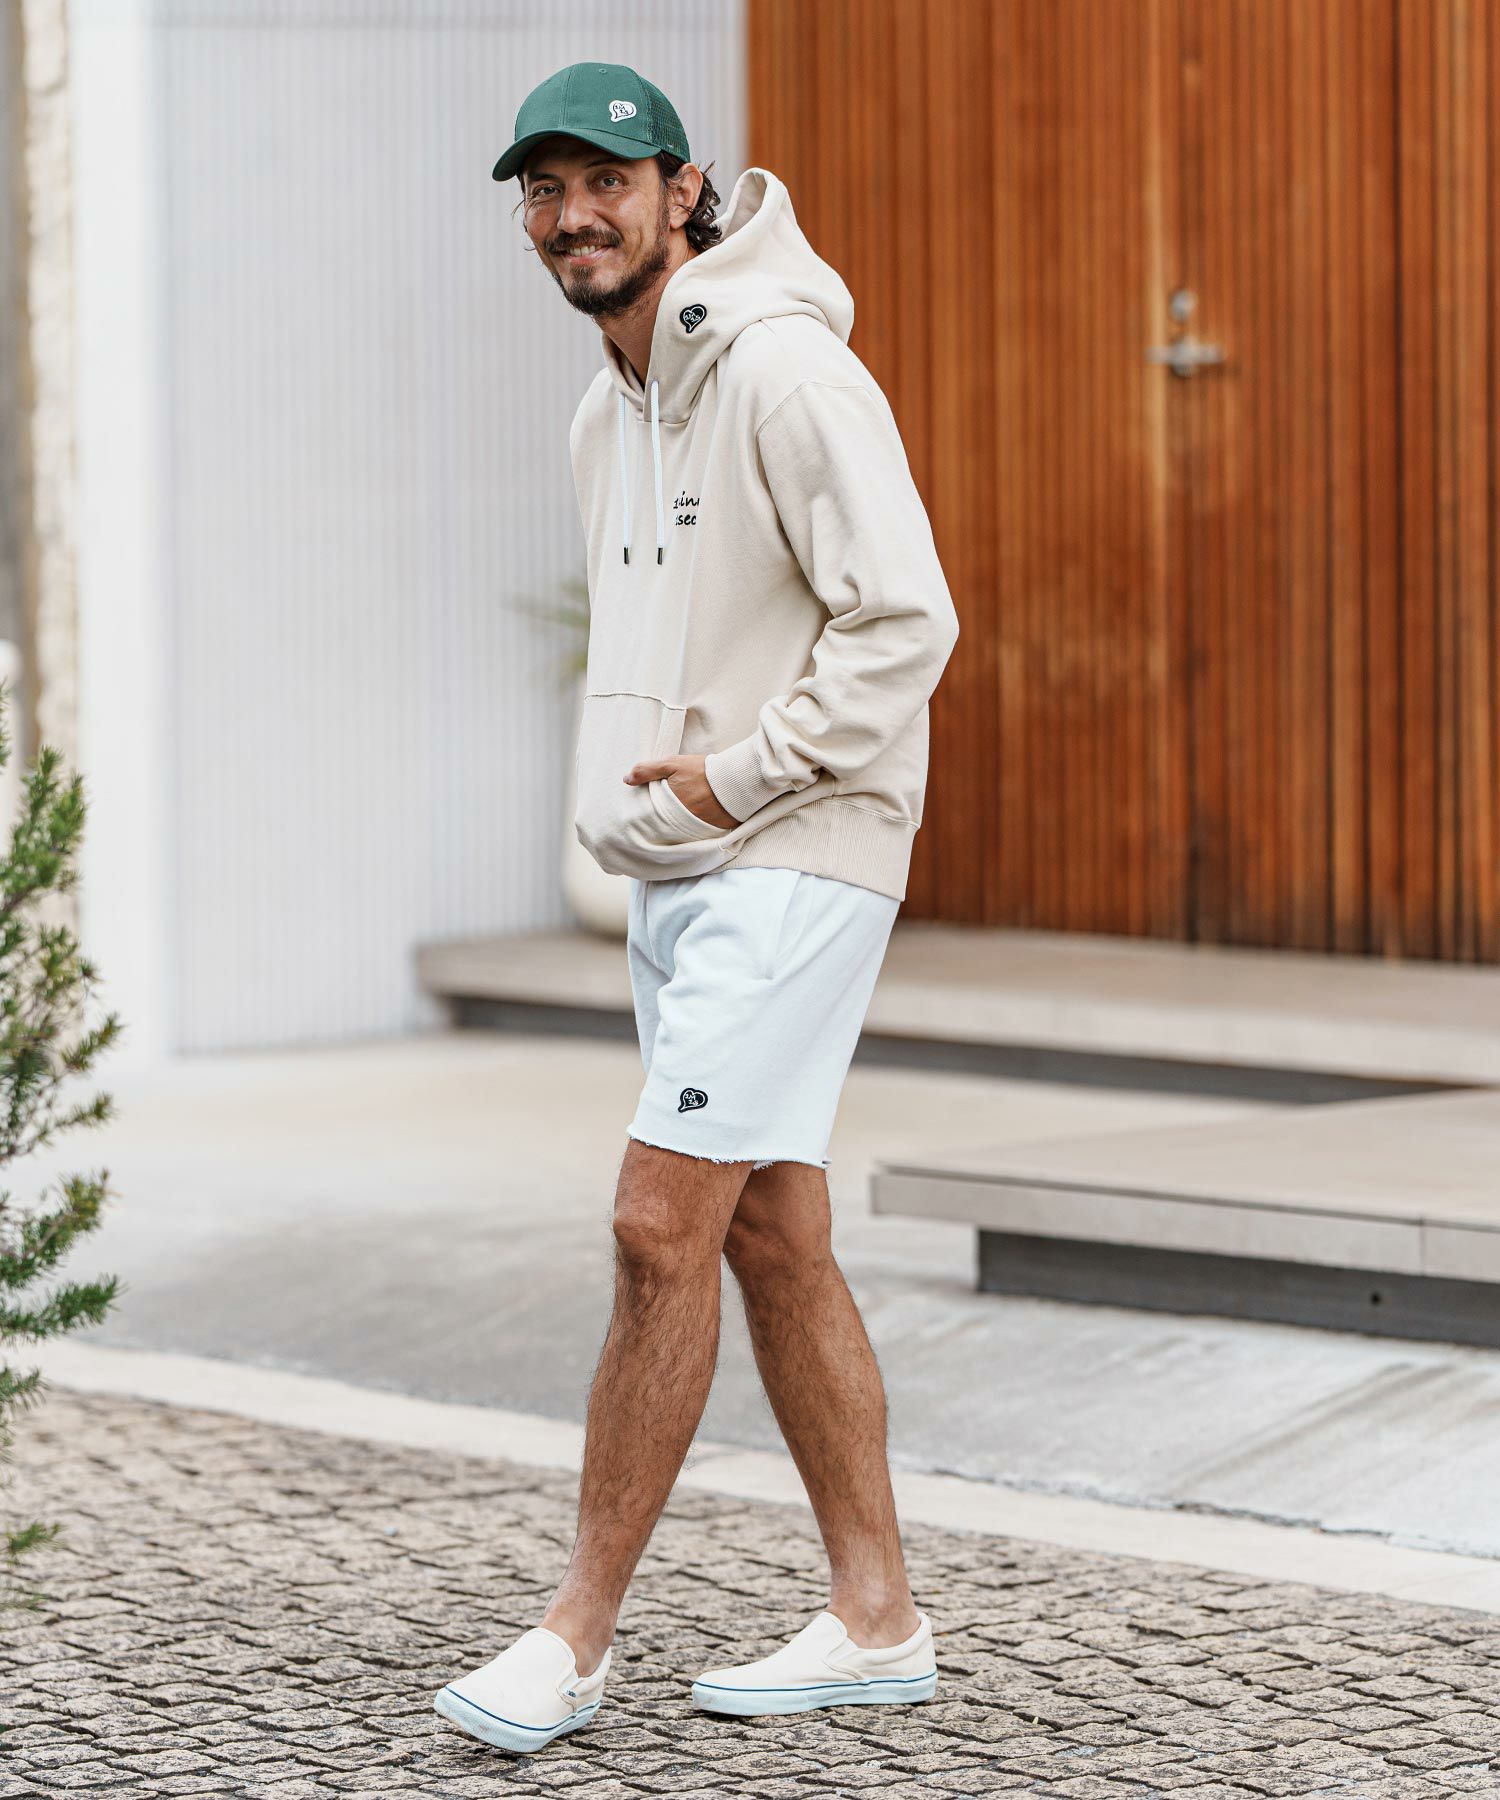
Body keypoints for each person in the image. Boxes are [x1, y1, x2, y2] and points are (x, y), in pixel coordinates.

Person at [435, 60, 960, 1756]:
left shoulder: (790, 373)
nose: (572, 215)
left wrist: (740, 779)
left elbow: (907, 621)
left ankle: (572, 1637)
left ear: (684, 191)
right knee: (771, 1233)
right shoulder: (607, 414)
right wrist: (642, 817)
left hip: (799, 848)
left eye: (607, 180)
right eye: (543, 190)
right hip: (684, 867)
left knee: (658, 1223)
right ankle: (877, 1620)